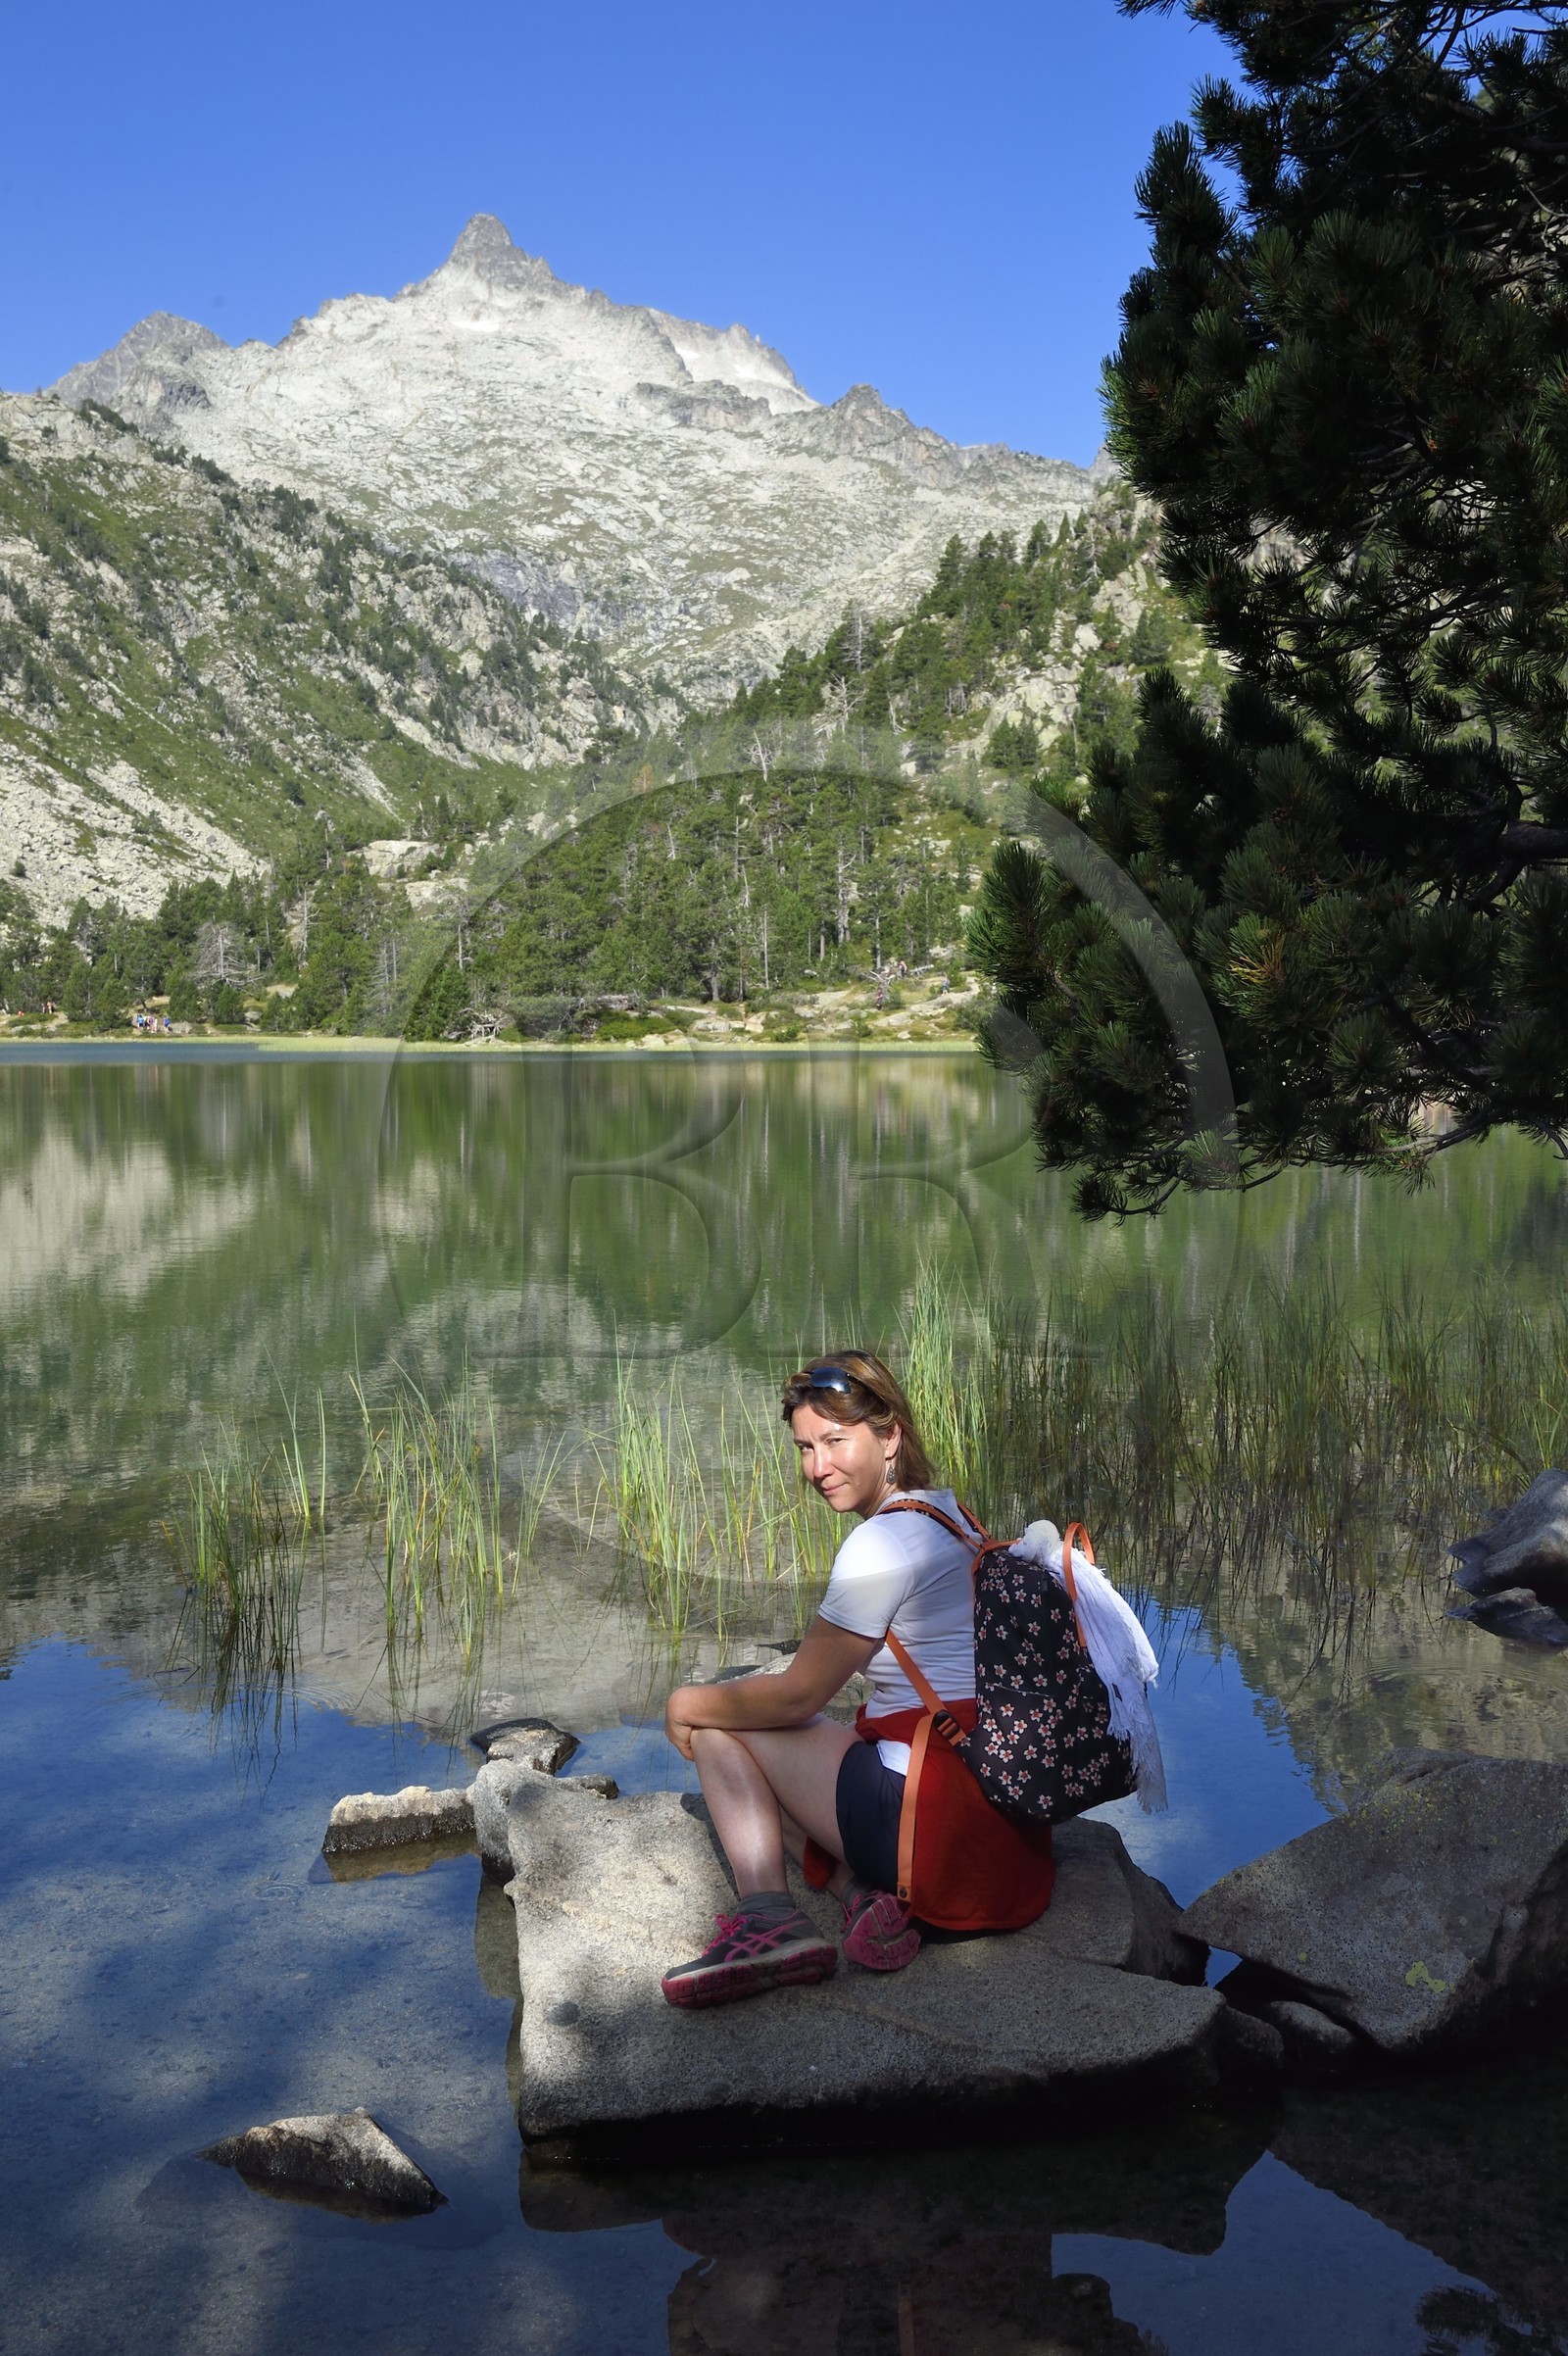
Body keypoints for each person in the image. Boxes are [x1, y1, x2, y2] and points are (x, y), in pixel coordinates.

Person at [661, 1351, 1054, 2008]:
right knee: (779, 1735)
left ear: (890, 1435)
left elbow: (799, 1696)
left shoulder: (881, 1545)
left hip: (929, 1836)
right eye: (805, 1447)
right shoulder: (951, 1516)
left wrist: (683, 1702)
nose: (817, 1467)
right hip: (1000, 1848)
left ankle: (769, 1923)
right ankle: (859, 1894)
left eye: (835, 1441)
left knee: (718, 1727)